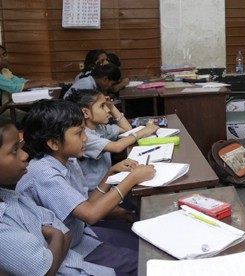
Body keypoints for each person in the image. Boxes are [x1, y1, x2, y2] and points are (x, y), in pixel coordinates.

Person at [16, 99, 155, 275]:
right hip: (66, 252)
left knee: (141, 243)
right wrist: (132, 179)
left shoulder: (67, 160)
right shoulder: (44, 174)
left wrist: (110, 174)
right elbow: (91, 214)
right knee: (143, 261)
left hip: (80, 235)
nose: (85, 138)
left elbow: (86, 203)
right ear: (54, 143)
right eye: (78, 133)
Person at [0, 123, 114, 275]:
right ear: (54, 143)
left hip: (78, 252)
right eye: (15, 150)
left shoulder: (10, 197)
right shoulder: (43, 173)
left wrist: (55, 238)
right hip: (77, 252)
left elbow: (65, 230)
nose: (24, 155)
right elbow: (46, 269)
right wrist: (56, 235)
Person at [66, 88, 158, 191]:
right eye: (102, 106)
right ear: (85, 112)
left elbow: (126, 129)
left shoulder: (98, 128)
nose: (107, 110)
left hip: (108, 184)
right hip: (95, 192)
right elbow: (117, 147)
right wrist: (144, 131)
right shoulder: (84, 135)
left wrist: (112, 106)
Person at [0, 44, 60, 123]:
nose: (3, 58)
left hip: (8, 108)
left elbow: (20, 81)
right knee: (37, 120)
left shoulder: (4, 71)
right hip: (3, 113)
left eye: (4, 54)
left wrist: (43, 83)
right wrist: (42, 82)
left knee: (39, 116)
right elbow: (14, 87)